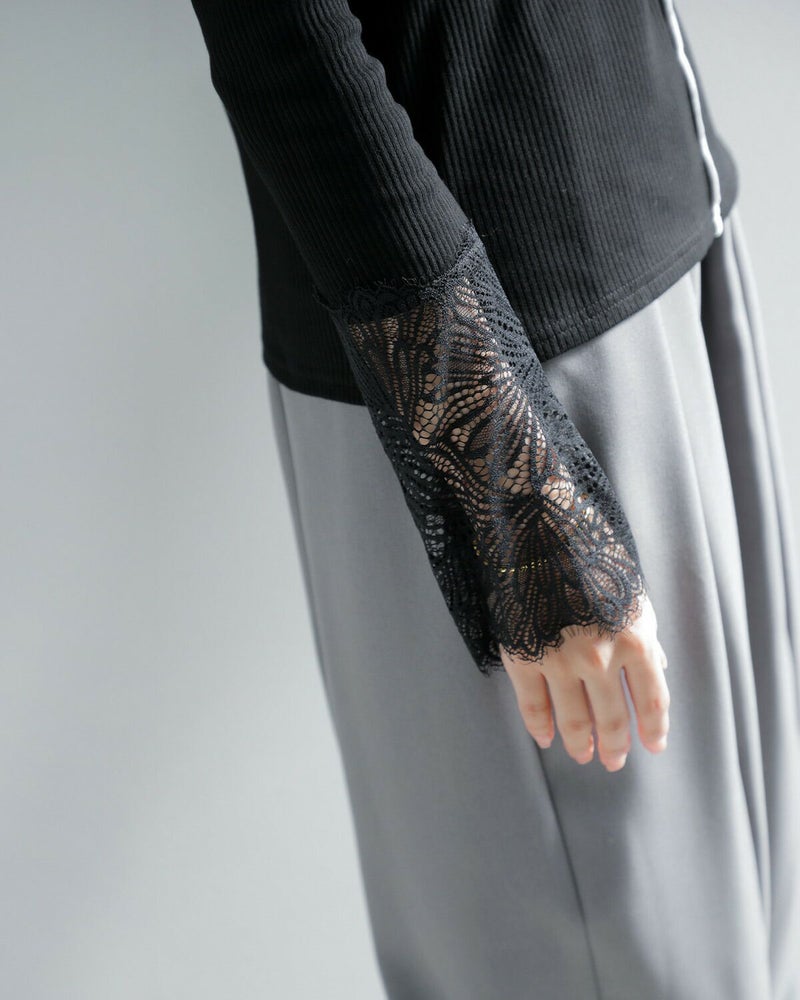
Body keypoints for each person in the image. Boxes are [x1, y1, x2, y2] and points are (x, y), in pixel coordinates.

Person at [189, 1, 800, 996]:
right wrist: (508, 480)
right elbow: (278, 34)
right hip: (504, 375)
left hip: (670, 245)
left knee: (736, 948)